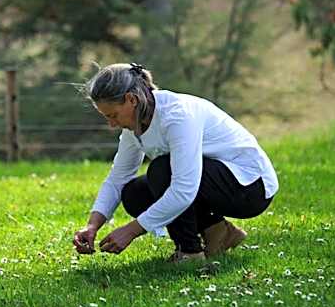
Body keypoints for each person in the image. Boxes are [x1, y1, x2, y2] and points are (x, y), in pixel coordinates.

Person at [72, 62, 279, 263]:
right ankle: (218, 232)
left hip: (251, 188)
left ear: (131, 99)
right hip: (216, 181)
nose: (111, 124)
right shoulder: (135, 125)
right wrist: (92, 226)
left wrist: (131, 230)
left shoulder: (177, 116)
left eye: (113, 115)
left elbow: (183, 190)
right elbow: (118, 178)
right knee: (135, 194)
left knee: (162, 170)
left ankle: (190, 252)